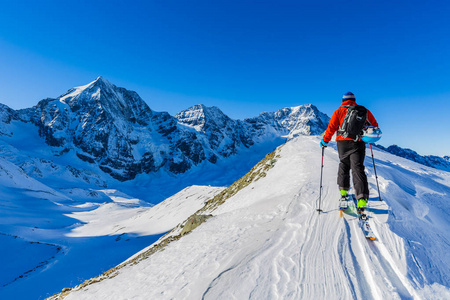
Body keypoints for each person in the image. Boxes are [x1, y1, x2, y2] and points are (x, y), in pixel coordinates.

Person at [320, 92, 379, 209]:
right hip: (358, 142)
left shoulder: (338, 111)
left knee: (344, 165)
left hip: (342, 143)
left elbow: (331, 127)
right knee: (358, 168)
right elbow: (375, 125)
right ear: (354, 100)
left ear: (343, 101)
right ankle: (361, 200)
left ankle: (343, 193)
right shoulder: (364, 111)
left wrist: (325, 141)